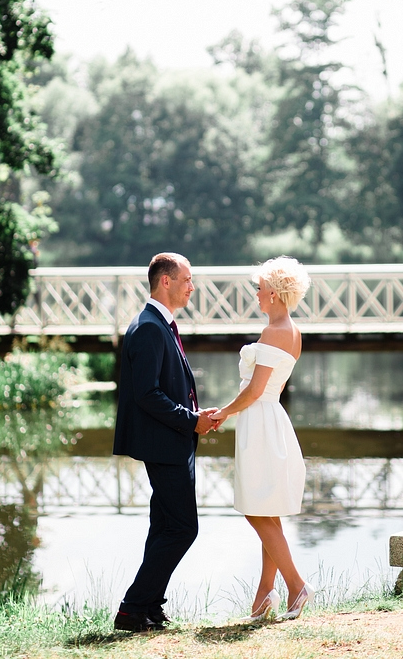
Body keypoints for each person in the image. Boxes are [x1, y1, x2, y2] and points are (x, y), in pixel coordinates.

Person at [112, 252, 218, 632]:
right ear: (166, 282)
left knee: (164, 527)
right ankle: (131, 609)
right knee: (183, 528)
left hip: (175, 441)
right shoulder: (150, 327)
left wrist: (197, 415)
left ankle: (150, 606)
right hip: (165, 443)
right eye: (187, 279)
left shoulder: (160, 324)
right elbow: (147, 395)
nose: (193, 286)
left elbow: (166, 386)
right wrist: (192, 421)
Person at [209, 256, 314, 622]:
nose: (256, 294)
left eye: (259, 288)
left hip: (261, 421)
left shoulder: (275, 332)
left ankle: (296, 584)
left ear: (272, 292)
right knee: (266, 507)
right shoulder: (292, 330)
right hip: (269, 419)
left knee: (255, 508)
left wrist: (223, 411)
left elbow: (255, 390)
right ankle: (264, 594)